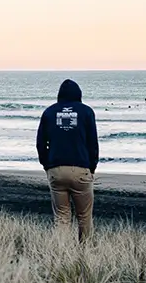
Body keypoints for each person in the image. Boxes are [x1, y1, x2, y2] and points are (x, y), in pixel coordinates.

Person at [37, 79, 100, 243]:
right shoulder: (86, 112)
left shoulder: (49, 112)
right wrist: (92, 167)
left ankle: (62, 252)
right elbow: (93, 143)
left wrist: (47, 165)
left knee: (61, 217)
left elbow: (40, 143)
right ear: (79, 94)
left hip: (56, 170)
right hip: (80, 169)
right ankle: (84, 252)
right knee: (84, 216)